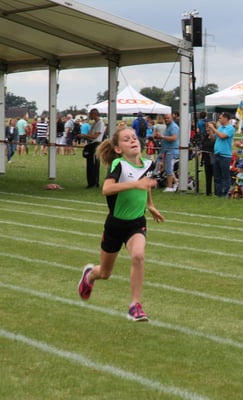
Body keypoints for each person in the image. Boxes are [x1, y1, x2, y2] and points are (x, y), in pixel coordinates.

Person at [77, 126, 164, 322]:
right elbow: (107, 189)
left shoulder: (147, 164)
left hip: (136, 224)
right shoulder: (119, 164)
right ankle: (90, 275)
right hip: (115, 226)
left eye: (134, 137)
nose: (133, 140)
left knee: (138, 255)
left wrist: (150, 205)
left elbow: (145, 184)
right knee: (105, 273)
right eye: (126, 139)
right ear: (118, 149)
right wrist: (135, 184)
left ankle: (135, 305)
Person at [208, 112, 235, 197]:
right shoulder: (220, 128)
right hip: (217, 154)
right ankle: (218, 193)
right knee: (217, 175)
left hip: (225, 155)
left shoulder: (230, 128)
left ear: (226, 118)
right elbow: (213, 138)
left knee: (225, 175)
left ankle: (225, 192)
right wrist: (210, 130)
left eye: (220, 118)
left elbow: (222, 136)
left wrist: (213, 128)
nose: (219, 120)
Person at [82, 108, 106, 188]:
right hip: (91, 144)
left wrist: (84, 135)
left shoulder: (100, 123)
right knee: (90, 165)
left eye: (91, 114)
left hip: (95, 145)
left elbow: (95, 136)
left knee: (94, 164)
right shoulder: (94, 123)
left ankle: (94, 183)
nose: (90, 115)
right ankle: (91, 182)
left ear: (95, 114)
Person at [155, 114, 179, 192]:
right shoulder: (168, 126)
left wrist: (162, 137)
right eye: (165, 118)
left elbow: (174, 138)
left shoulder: (173, 127)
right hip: (166, 150)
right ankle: (176, 182)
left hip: (171, 151)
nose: (166, 119)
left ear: (171, 118)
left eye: (168, 118)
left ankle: (169, 187)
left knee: (169, 169)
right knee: (167, 168)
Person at [200, 121, 215, 196]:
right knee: (207, 176)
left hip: (213, 158)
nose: (207, 129)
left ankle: (217, 192)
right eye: (206, 127)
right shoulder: (205, 137)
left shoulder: (215, 137)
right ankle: (208, 192)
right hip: (206, 158)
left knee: (215, 176)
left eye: (209, 127)